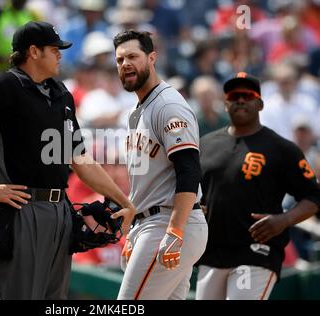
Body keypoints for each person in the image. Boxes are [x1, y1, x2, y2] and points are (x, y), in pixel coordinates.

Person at [0, 21, 135, 300]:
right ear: (34, 52)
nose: (60, 55)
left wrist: (123, 201)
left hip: (60, 210)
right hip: (20, 209)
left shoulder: (61, 93)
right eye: (54, 49)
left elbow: (79, 157)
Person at [195, 72, 320, 300]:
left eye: (247, 95)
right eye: (234, 95)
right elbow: (191, 191)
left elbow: (313, 197)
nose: (240, 100)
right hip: (212, 251)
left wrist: (284, 220)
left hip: (256, 251)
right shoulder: (206, 144)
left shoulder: (282, 148)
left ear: (259, 103)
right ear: (225, 104)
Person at [113, 30, 208, 300]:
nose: (126, 64)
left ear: (152, 58)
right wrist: (134, 227)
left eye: (133, 56)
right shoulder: (136, 111)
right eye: (120, 60)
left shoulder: (168, 105)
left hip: (170, 221)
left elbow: (188, 170)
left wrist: (175, 231)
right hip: (152, 221)